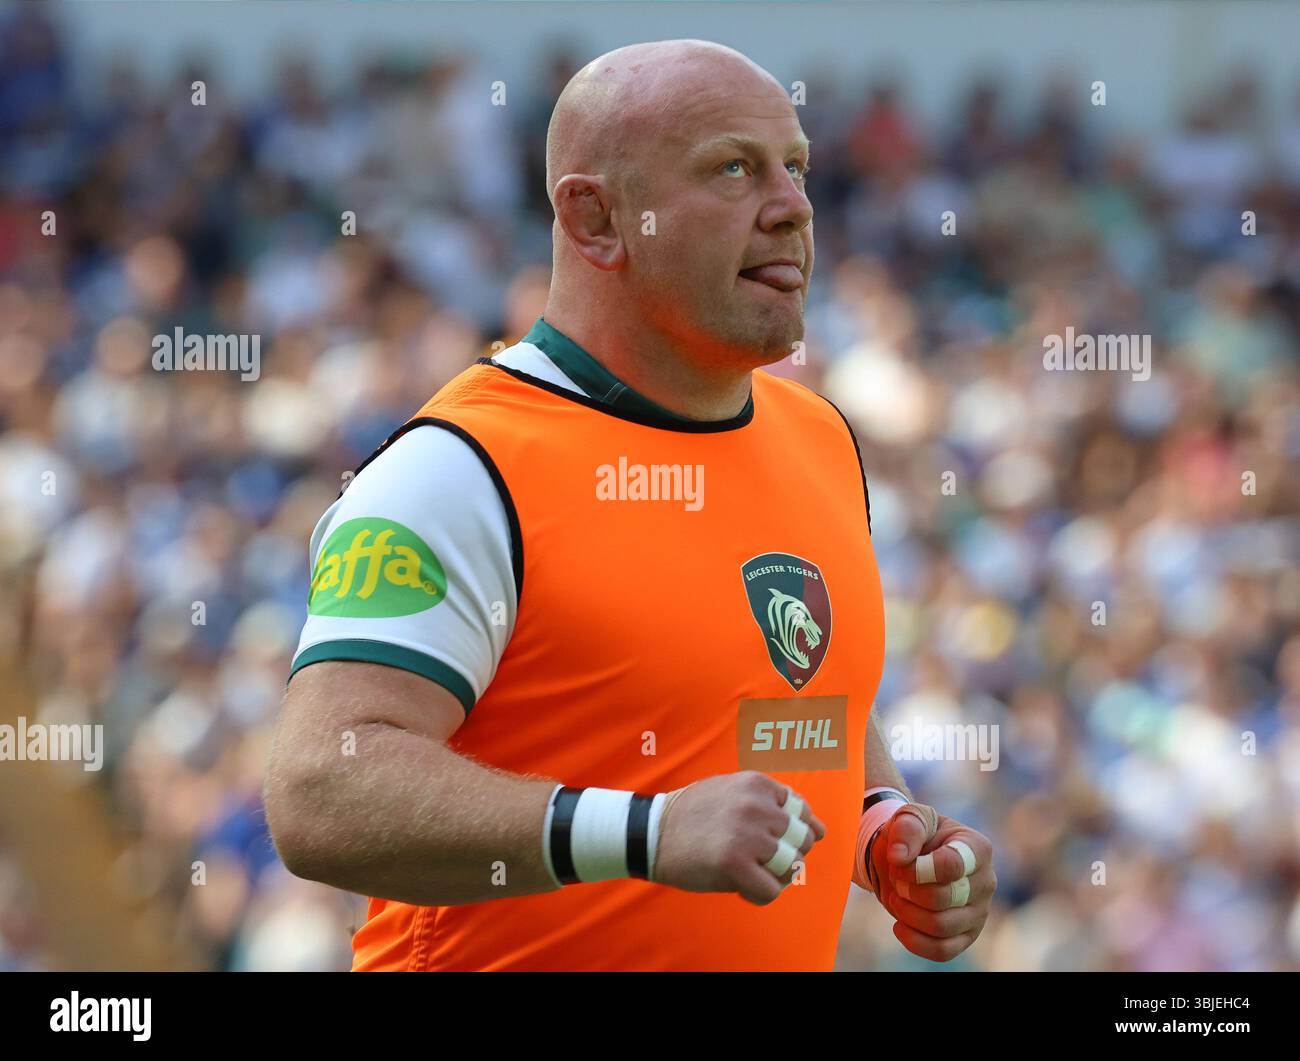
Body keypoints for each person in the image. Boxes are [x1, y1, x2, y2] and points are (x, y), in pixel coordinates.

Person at [264, 38, 996, 971]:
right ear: (595, 216)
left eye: (798, 167)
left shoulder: (820, 438)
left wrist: (879, 828)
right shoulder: (458, 467)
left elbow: (791, 703)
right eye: (733, 169)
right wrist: (642, 831)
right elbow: (323, 788)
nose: (795, 208)